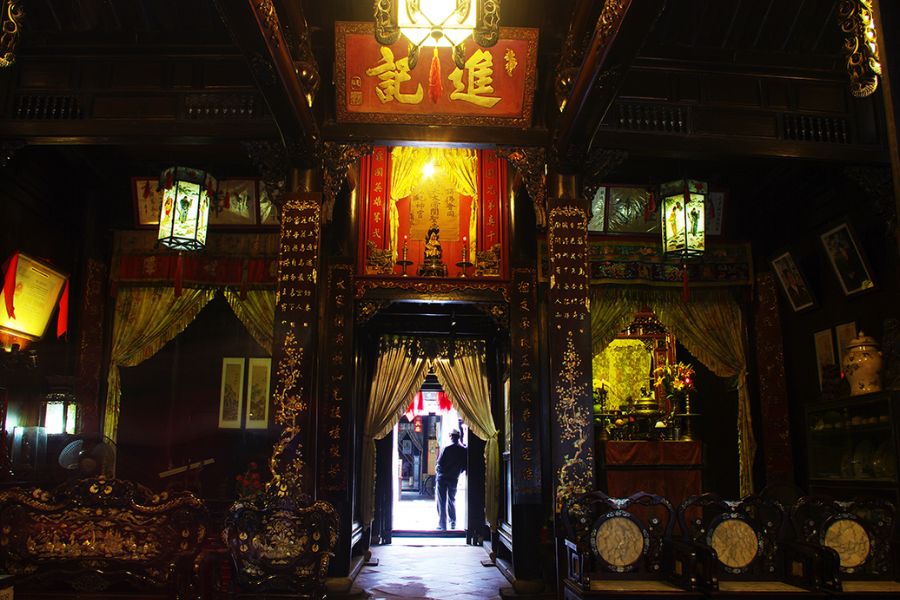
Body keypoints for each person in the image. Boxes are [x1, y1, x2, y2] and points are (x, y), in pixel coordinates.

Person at [435, 428, 467, 530]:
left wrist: (439, 472)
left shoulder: (446, 448)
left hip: (442, 477)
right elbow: (464, 466)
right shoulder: (463, 450)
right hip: (454, 478)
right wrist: (456, 472)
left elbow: (439, 463)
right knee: (451, 500)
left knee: (441, 501)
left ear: (451, 437)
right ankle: (453, 522)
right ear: (459, 437)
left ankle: (442, 524)